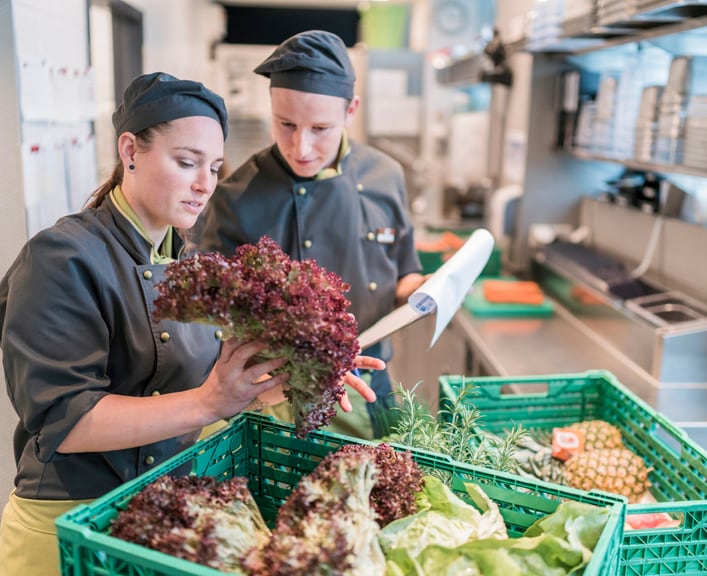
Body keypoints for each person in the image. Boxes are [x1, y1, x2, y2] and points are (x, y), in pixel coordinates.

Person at [0, 71, 380, 576]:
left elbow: (199, 390)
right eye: (186, 162)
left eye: (216, 167)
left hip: (152, 515)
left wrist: (299, 376)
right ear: (130, 150)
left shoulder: (185, 264)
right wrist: (209, 402)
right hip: (67, 528)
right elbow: (66, 421)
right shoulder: (62, 258)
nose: (205, 184)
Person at [200, 30, 426, 439]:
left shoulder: (385, 176)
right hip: (274, 398)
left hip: (370, 384)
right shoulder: (236, 197)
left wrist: (430, 290)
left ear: (351, 110)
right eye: (286, 124)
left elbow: (404, 272)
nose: (300, 146)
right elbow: (214, 321)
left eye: (320, 128)